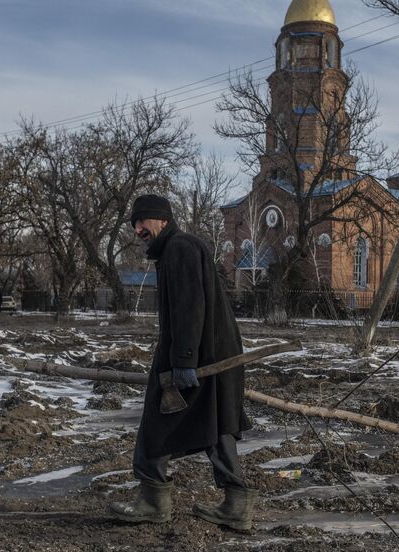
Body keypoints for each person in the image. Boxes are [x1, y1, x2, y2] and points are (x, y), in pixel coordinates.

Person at [110, 194, 256, 530]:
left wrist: (184, 361)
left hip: (201, 357)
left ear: (162, 219)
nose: (137, 229)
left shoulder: (180, 248)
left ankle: (152, 501)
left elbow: (190, 306)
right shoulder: (175, 249)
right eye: (134, 224)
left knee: (158, 423)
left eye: (142, 221)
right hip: (212, 352)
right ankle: (236, 505)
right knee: (215, 425)